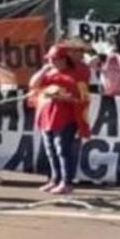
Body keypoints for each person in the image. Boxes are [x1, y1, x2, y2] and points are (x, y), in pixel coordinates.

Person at [30, 46, 82, 194]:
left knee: (62, 150)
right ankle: (55, 179)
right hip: (47, 116)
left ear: (64, 59)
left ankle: (66, 182)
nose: (52, 62)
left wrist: (59, 96)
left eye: (55, 59)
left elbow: (78, 98)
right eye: (50, 59)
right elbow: (33, 84)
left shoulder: (73, 75)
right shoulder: (48, 74)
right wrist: (43, 70)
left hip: (65, 118)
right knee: (50, 150)